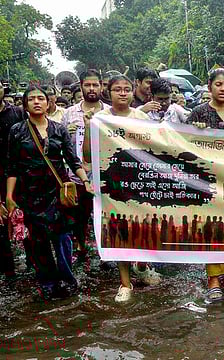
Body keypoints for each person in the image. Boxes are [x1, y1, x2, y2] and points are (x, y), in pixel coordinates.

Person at [6, 85, 93, 299]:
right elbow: (12, 166)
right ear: (25, 104)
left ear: (48, 102)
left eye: (41, 98)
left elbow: (72, 159)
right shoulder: (17, 131)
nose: (37, 102)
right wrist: (9, 196)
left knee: (63, 237)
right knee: (38, 240)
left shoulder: (58, 128)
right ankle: (47, 282)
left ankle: (67, 278)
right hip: (30, 193)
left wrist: (85, 181)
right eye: (32, 99)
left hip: (59, 190)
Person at [83, 74, 160, 303]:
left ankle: (143, 266)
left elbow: (155, 149)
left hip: (138, 181)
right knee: (119, 230)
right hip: (112, 184)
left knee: (144, 227)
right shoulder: (100, 118)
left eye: (127, 89)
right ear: (109, 92)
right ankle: (125, 283)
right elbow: (87, 155)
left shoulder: (141, 117)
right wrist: (89, 128)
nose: (123, 93)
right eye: (118, 89)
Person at [187, 68, 224, 302]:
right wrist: (195, 132)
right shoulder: (198, 112)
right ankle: (213, 280)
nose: (223, 89)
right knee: (212, 226)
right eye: (218, 84)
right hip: (207, 180)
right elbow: (183, 144)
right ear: (209, 86)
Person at [62, 69, 110, 256]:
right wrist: (67, 130)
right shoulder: (68, 114)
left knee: (105, 214)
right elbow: (63, 144)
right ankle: (81, 245)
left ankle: (105, 250)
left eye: (95, 85)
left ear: (101, 86)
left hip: (104, 171)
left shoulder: (109, 112)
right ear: (81, 86)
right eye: (87, 85)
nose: (91, 88)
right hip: (78, 173)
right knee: (80, 215)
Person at [0, 83, 24, 278]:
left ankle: (33, 265)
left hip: (20, 175)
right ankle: (9, 271)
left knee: (27, 220)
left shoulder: (16, 113)